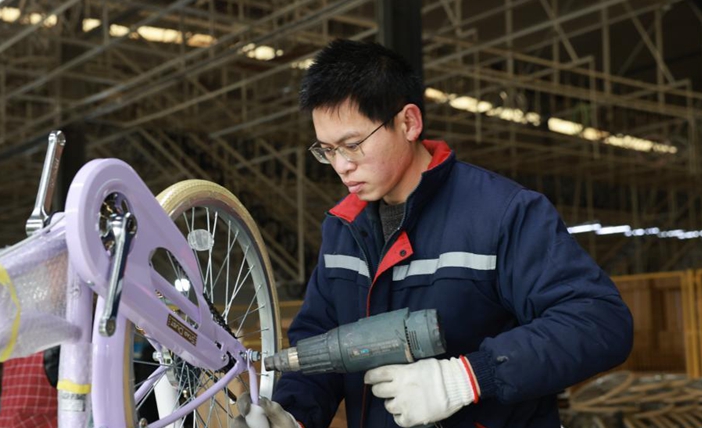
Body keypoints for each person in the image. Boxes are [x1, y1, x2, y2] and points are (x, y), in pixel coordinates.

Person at [235, 39, 633, 428]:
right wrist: (292, 415)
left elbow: (600, 321)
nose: (340, 166)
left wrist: (467, 378)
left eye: (352, 145)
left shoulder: (502, 214)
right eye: (326, 150)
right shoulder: (342, 228)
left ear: (408, 122)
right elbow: (318, 347)